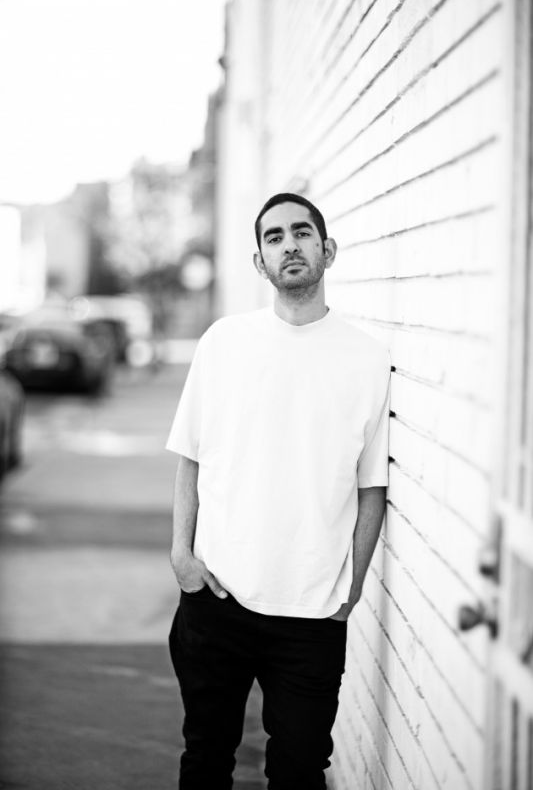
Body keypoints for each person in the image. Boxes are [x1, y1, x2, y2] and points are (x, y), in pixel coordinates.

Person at [166, 192, 391, 790]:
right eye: (274, 237)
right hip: (218, 598)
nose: (289, 244)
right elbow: (191, 455)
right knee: (205, 759)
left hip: (312, 614)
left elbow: (372, 487)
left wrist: (352, 587)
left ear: (328, 250)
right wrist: (182, 555)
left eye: (302, 232)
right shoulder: (223, 343)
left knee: (299, 771)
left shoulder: (368, 359)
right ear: (259, 262)